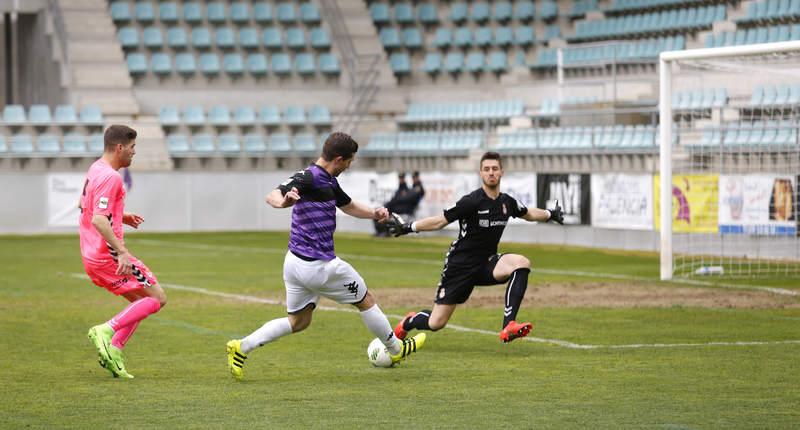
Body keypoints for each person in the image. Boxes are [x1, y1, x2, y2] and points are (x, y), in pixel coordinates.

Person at [226, 132, 426, 381]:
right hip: (318, 266)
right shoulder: (309, 177)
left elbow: (349, 205)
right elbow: (272, 196)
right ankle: (396, 349)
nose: (349, 166)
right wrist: (285, 202)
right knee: (365, 299)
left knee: (298, 322)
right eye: (349, 162)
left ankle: (242, 347)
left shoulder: (328, 180)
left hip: (295, 263)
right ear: (339, 159)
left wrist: (375, 213)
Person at [386, 151, 564, 343]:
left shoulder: (507, 202)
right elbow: (439, 221)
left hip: (486, 263)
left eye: (495, 169)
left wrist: (549, 214)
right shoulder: (471, 201)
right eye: (486, 169)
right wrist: (407, 227)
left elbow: (528, 213)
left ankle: (509, 325)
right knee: (436, 322)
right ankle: (408, 322)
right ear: (480, 173)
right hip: (460, 267)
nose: (491, 173)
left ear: (502, 172)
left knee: (521, 263)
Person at [81, 125, 167, 379]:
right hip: (106, 254)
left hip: (91, 255)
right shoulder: (111, 177)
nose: (134, 152)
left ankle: (114, 352)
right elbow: (98, 219)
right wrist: (121, 252)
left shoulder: (96, 168)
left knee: (139, 302)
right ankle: (106, 331)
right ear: (120, 147)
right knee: (157, 298)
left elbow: (83, 205)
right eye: (132, 147)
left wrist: (121, 216)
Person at [375, 171, 426, 237]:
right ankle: (381, 231)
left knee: (388, 212)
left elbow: (406, 199)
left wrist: (399, 199)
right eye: (413, 177)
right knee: (383, 210)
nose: (414, 179)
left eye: (415, 177)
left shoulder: (417, 188)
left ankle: (385, 232)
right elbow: (397, 199)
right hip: (401, 207)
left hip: (407, 210)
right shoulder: (409, 188)